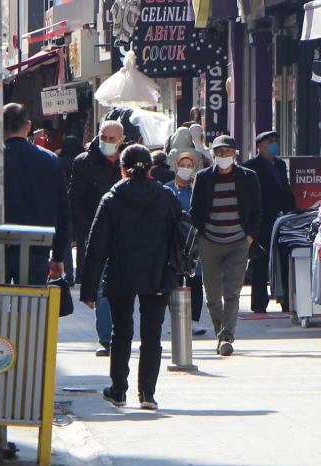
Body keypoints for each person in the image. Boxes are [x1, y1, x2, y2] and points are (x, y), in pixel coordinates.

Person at [80, 145, 183, 411]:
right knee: (152, 334)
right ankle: (147, 394)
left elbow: (96, 246)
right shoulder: (166, 196)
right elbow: (183, 233)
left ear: (122, 168)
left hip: (120, 274)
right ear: (150, 168)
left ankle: (118, 390)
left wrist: (89, 290)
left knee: (121, 332)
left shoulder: (112, 199)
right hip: (157, 274)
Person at [0, 103, 70, 285]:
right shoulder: (50, 161)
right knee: (31, 309)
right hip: (36, 249)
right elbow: (62, 211)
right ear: (29, 125)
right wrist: (58, 255)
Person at [190, 135, 261, 357]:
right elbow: (195, 210)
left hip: (238, 242)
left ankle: (226, 336)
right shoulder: (202, 178)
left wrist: (249, 237)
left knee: (232, 293)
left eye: (227, 153)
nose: (223, 157)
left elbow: (258, 209)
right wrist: (200, 237)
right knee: (212, 296)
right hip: (210, 242)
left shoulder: (249, 177)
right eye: (219, 153)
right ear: (213, 155)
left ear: (235, 154)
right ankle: (221, 332)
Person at [70, 119, 125, 356]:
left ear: (121, 140)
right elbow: (75, 201)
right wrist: (87, 231)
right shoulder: (84, 162)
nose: (107, 143)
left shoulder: (129, 161)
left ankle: (122, 334)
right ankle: (107, 339)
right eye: (103, 137)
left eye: (112, 139)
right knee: (103, 288)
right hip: (97, 235)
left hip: (127, 236)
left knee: (125, 289)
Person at [242, 130, 296, 313]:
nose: (275, 145)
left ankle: (286, 301)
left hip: (281, 221)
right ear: (260, 146)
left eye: (276, 141)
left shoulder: (280, 165)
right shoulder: (251, 166)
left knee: (283, 261)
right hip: (262, 222)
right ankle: (259, 304)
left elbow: (285, 189)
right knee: (260, 263)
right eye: (271, 141)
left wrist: (291, 211)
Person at [164, 151, 207, 336]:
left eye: (190, 166)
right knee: (173, 280)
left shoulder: (197, 189)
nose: (186, 169)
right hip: (173, 240)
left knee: (195, 280)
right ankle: (176, 319)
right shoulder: (167, 189)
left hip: (195, 241)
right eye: (183, 165)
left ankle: (194, 320)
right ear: (176, 166)